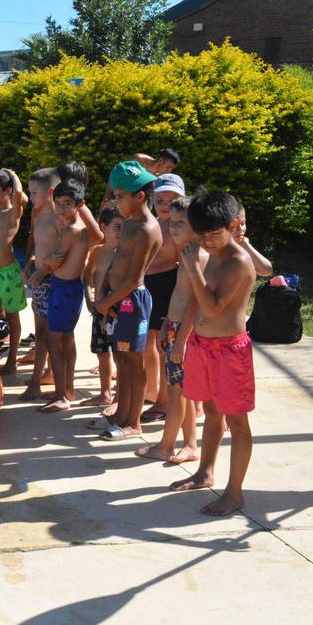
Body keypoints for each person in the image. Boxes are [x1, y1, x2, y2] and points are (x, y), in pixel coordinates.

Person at [170, 191, 256, 516]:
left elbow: (214, 306)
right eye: (201, 236)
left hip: (229, 351)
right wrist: (182, 339)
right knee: (211, 410)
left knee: (237, 421)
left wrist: (192, 267)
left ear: (233, 226)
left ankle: (234, 494)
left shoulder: (237, 261)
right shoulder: (213, 254)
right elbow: (196, 302)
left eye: (213, 235)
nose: (206, 242)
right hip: (202, 346)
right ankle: (205, 471)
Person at [93, 161, 163, 440]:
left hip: (132, 301)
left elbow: (134, 278)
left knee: (134, 362)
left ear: (140, 197)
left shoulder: (146, 228)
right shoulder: (131, 223)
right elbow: (117, 264)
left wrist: (105, 302)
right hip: (116, 301)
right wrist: (104, 295)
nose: (115, 202)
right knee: (121, 359)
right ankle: (121, 413)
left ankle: (134, 421)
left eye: (120, 197)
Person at [135, 197, 201, 464]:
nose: (173, 228)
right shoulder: (186, 254)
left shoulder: (197, 257)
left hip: (184, 333)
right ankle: (189, 444)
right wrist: (165, 324)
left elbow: (195, 302)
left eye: (180, 223)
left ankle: (168, 445)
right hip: (173, 327)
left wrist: (182, 339)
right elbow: (179, 296)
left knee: (178, 393)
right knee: (179, 391)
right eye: (171, 222)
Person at [27, 179, 89, 412]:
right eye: (58, 203)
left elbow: (53, 260)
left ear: (79, 204)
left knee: (54, 339)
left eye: (67, 204)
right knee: (66, 338)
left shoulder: (71, 230)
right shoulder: (73, 227)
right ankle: (67, 389)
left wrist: (37, 275)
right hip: (66, 288)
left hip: (64, 288)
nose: (61, 208)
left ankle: (62, 395)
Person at [141, 173, 185, 424]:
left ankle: (164, 400)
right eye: (160, 200)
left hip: (169, 286)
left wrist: (177, 304)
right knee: (147, 344)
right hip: (148, 286)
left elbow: (185, 268)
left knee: (163, 346)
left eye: (172, 199)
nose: (166, 205)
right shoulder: (151, 223)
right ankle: (151, 390)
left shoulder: (179, 229)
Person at [19, 167, 61, 401]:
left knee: (51, 334)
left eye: (35, 193)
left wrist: (43, 269)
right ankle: (42, 376)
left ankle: (40, 380)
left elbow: (61, 251)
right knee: (41, 332)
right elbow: (37, 245)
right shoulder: (37, 214)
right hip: (38, 278)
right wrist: (29, 264)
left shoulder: (60, 218)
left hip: (53, 280)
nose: (31, 198)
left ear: (51, 192)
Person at [0, 169, 29, 374]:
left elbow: (20, 196)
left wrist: (12, 174)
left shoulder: (12, 214)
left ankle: (12, 359)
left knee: (12, 316)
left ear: (7, 191)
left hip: (8, 274)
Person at [81, 202, 123, 410]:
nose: (121, 232)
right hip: (99, 311)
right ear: (103, 227)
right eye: (117, 227)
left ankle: (118, 397)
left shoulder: (126, 253)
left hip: (118, 313)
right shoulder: (97, 252)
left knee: (119, 354)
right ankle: (105, 393)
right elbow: (88, 276)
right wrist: (89, 300)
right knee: (102, 352)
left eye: (125, 227)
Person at [233, 205, 273, 277]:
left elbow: (267, 270)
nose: (241, 229)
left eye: (243, 223)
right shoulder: (212, 250)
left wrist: (245, 245)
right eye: (234, 226)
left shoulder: (242, 244)